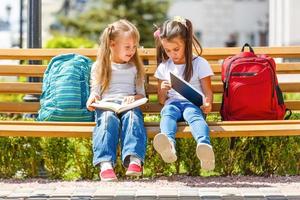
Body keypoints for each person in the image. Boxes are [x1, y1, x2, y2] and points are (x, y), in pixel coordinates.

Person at [86, 19, 147, 181]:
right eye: (127, 47)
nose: (132, 51)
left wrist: (133, 98)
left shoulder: (135, 68)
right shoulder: (99, 66)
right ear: (112, 44)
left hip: (129, 106)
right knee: (106, 119)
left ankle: (134, 160)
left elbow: (141, 95)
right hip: (107, 106)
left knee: (133, 117)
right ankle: (105, 163)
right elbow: (95, 92)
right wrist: (92, 99)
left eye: (134, 47)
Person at [153, 16, 215, 170]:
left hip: (192, 104)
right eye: (167, 50)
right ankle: (169, 145)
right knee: (167, 113)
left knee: (194, 116)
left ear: (186, 44)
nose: (172, 54)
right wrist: (163, 90)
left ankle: (204, 147)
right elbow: (161, 100)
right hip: (172, 104)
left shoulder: (200, 64)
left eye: (176, 49)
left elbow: (207, 91)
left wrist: (207, 103)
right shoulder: (164, 67)